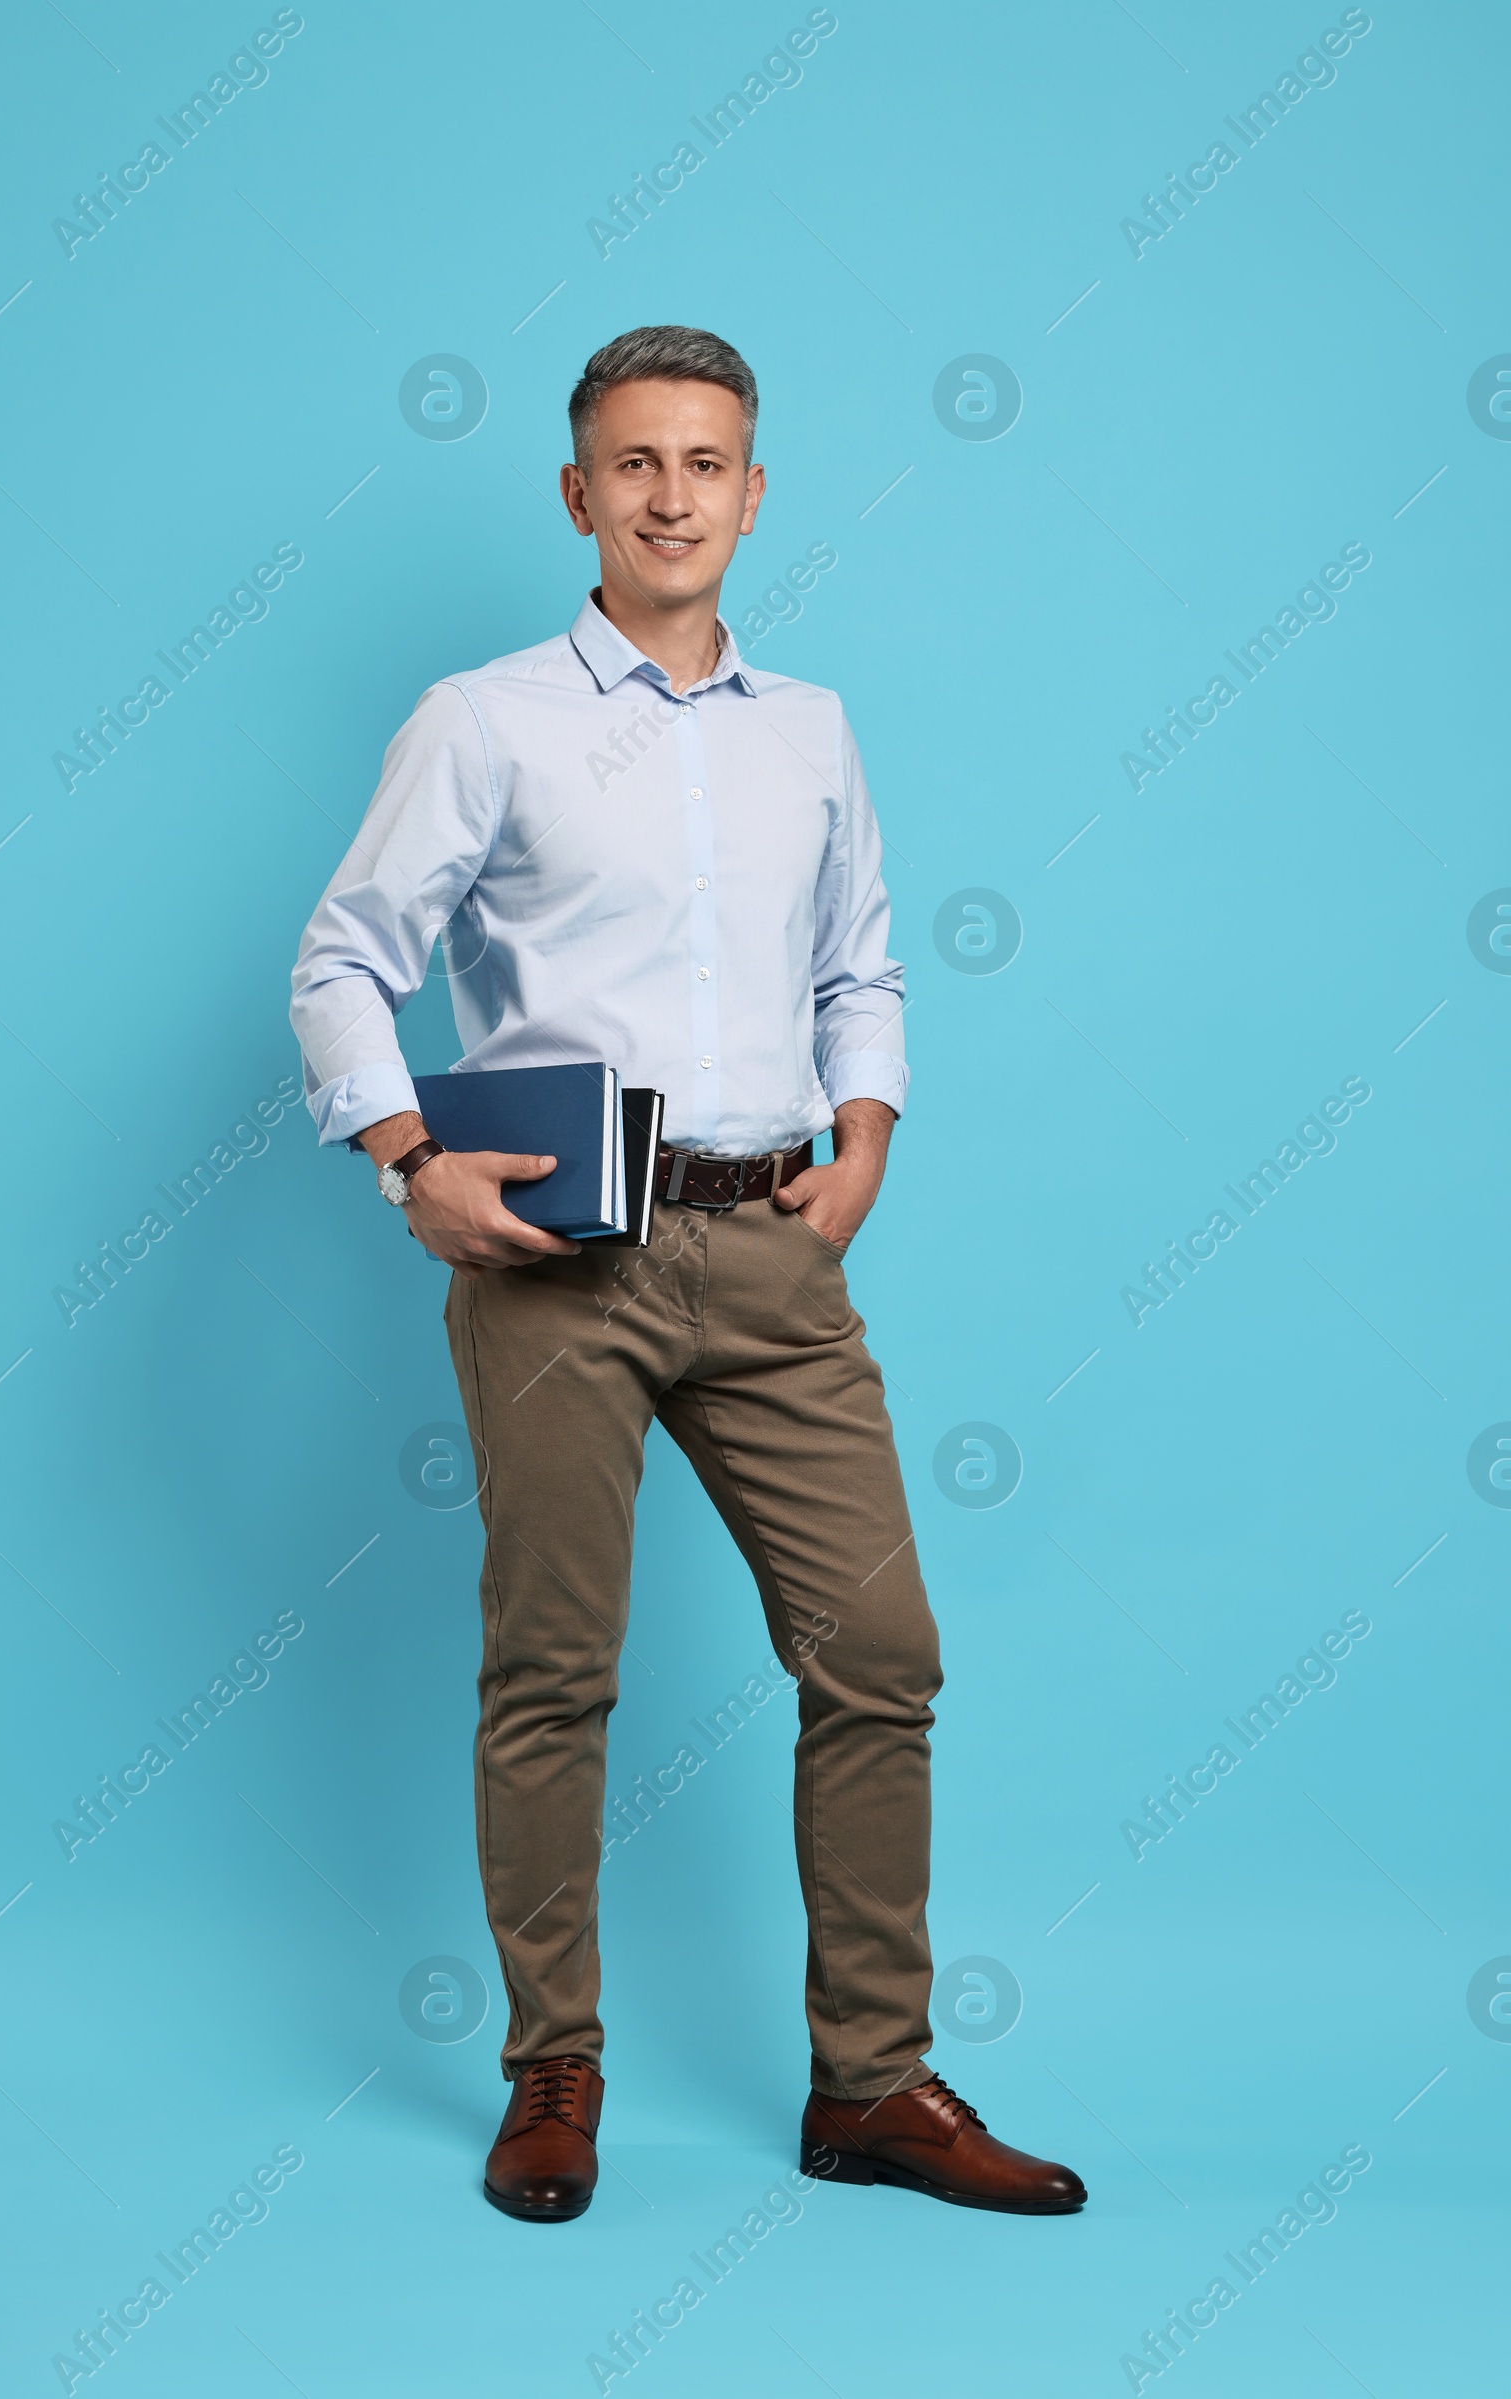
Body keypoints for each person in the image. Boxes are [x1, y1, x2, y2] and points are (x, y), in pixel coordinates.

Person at [289, 325, 1085, 2224]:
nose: (670, 495)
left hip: (771, 1247)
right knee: (554, 1670)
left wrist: (867, 1134)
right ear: (579, 495)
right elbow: (342, 961)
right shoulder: (485, 718)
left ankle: (871, 2087)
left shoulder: (812, 727)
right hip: (561, 1253)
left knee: (880, 1654)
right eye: (634, 463)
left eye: (706, 462)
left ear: (751, 490)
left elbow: (864, 958)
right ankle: (550, 2070)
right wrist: (409, 1161)